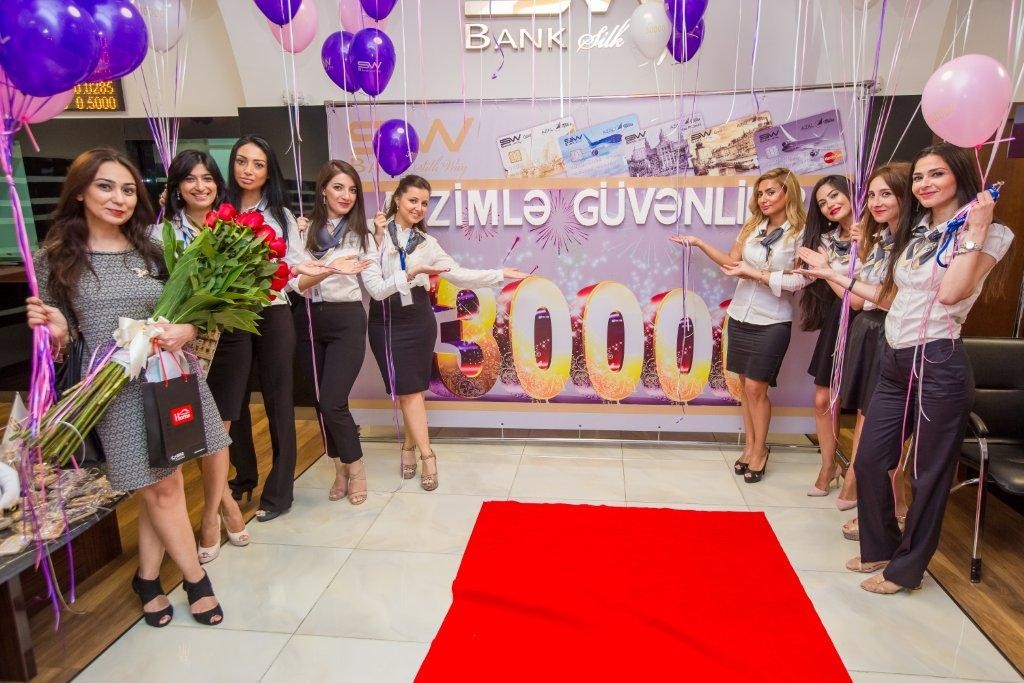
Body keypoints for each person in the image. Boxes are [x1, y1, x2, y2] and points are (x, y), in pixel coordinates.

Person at [794, 143, 1014, 594]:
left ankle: (906, 570)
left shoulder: (989, 233)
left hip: (938, 362)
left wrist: (976, 226)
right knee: (871, 460)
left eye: (936, 174)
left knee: (926, 475)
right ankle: (881, 547)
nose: (925, 184)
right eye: (918, 177)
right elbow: (889, 298)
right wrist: (832, 272)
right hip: (895, 360)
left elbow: (951, 292)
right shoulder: (916, 232)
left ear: (960, 177)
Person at [27, 148, 225, 626]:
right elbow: (61, 345)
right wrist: (56, 331)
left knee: (163, 483)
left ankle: (147, 578)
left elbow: (194, 312)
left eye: (128, 189)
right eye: (105, 186)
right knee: (160, 486)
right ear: (80, 192)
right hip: (113, 390)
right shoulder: (53, 258)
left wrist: (186, 330)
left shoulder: (155, 247)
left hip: (171, 379)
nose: (119, 198)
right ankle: (197, 580)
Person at [361, 174, 530, 490]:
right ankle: (409, 446)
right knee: (407, 391)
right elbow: (375, 287)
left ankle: (426, 455)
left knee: (412, 391)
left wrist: (498, 274)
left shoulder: (427, 244)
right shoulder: (374, 234)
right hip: (385, 320)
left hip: (418, 320)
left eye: (424, 203)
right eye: (413, 200)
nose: (418, 207)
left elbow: (459, 275)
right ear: (397, 199)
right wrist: (389, 250)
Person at [205, 135, 323, 522]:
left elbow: (294, 273)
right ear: (232, 164)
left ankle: (279, 492)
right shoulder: (217, 209)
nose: (248, 170)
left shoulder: (282, 216)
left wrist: (308, 271)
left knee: (278, 400)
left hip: (273, 312)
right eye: (242, 161)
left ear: (269, 172)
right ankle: (243, 477)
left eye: (258, 164)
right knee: (232, 403)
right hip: (229, 315)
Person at [670, 167, 808, 484]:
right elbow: (733, 263)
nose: (763, 199)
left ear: (788, 193)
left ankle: (761, 450)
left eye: (770, 192)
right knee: (745, 387)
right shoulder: (753, 226)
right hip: (740, 316)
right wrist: (699, 243)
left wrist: (756, 274)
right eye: (760, 193)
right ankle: (749, 446)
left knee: (758, 388)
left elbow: (799, 281)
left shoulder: (800, 233)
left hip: (773, 319)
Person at [159, 149, 250, 562]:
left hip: (229, 338)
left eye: (208, 178)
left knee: (219, 431)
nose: (201, 186)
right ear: (178, 187)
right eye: (191, 179)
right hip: (184, 344)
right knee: (194, 429)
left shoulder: (234, 229)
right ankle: (226, 505)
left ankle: (210, 516)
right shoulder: (161, 234)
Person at [834, 163, 912, 540]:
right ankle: (877, 509)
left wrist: (833, 274)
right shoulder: (882, 239)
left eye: (887, 194)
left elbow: (886, 297)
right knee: (868, 424)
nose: (877, 202)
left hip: (893, 337)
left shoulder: (911, 243)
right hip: (870, 332)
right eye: (873, 195)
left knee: (885, 434)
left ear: (905, 197)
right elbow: (861, 299)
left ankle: (895, 512)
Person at [290, 161, 372, 503]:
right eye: (338, 187)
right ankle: (339, 469)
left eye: (352, 190)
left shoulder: (361, 234)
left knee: (332, 401)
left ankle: (356, 468)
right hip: (309, 318)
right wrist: (330, 268)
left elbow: (375, 282)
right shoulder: (302, 231)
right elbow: (295, 283)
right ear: (323, 189)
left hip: (347, 320)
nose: (346, 195)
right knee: (320, 404)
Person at [799, 176, 859, 497]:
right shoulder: (826, 240)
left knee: (864, 407)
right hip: (840, 318)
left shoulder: (877, 233)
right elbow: (842, 295)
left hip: (871, 320)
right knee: (824, 399)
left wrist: (827, 269)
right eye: (822, 203)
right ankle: (829, 465)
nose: (829, 205)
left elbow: (858, 298)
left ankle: (856, 478)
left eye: (835, 196)